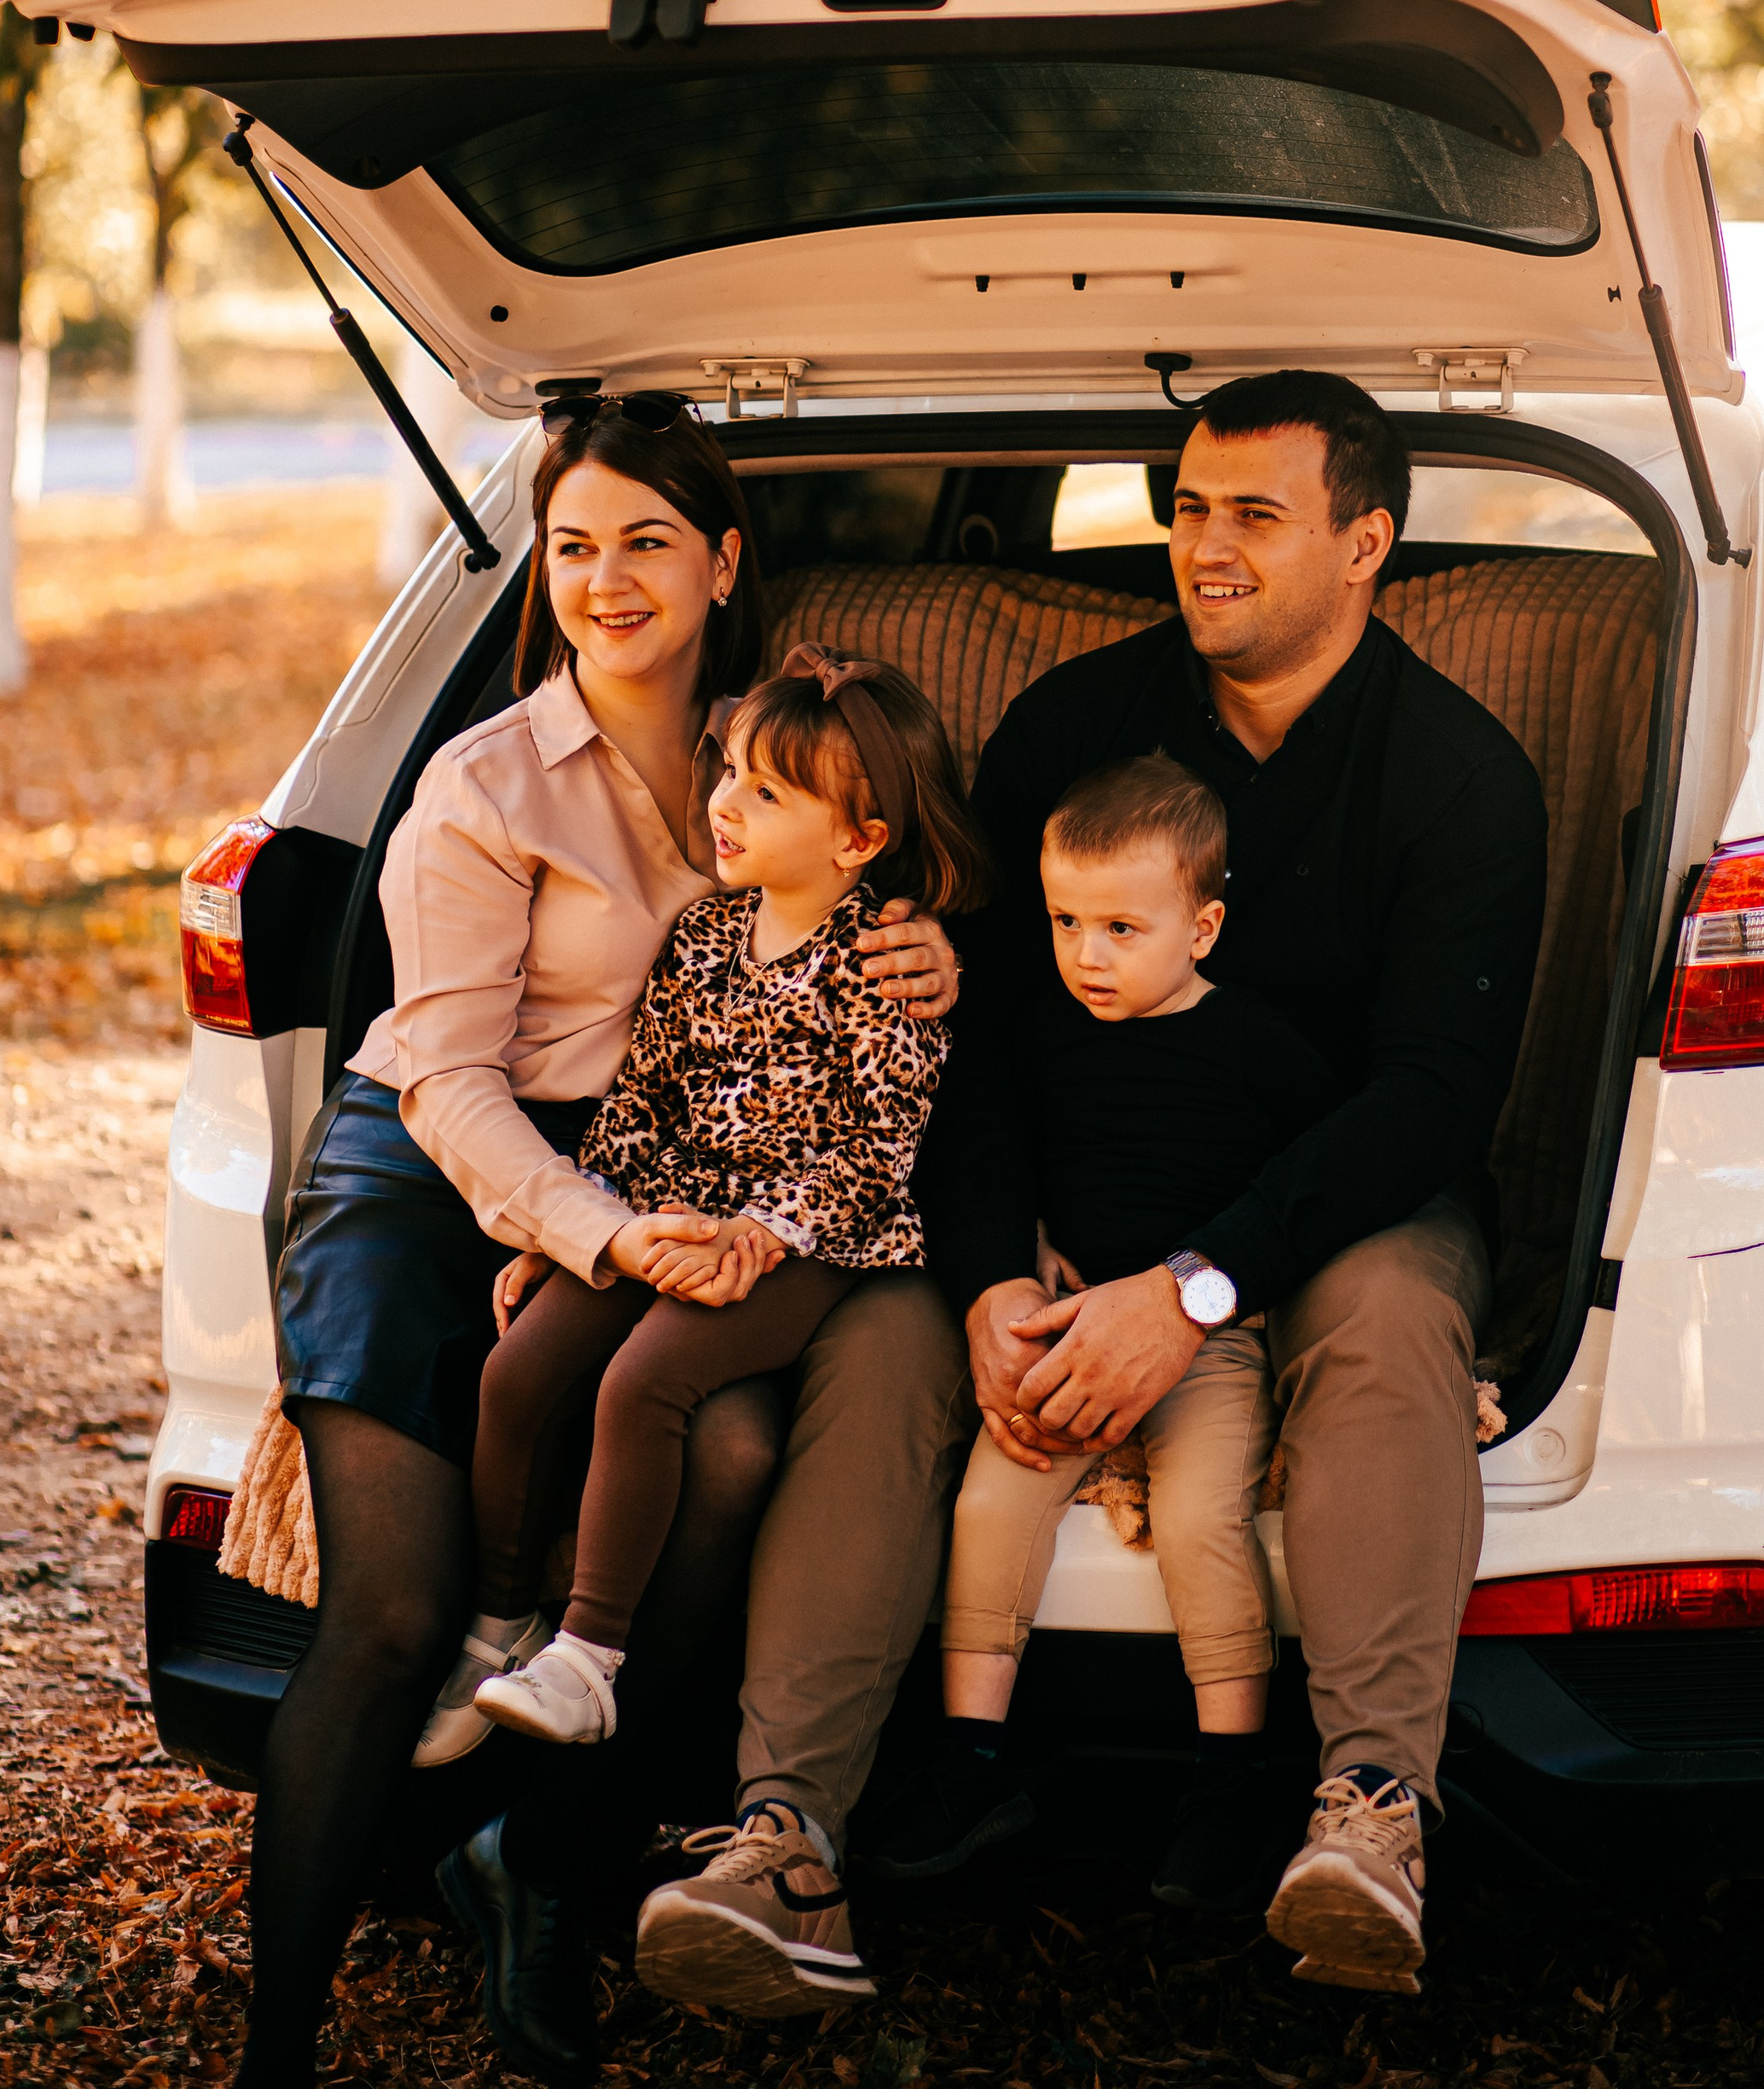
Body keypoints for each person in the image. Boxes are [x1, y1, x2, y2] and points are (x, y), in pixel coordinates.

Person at [235, 399, 960, 2089]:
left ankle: (542, 1864)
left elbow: (872, 883)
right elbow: (451, 1084)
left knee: (729, 1459)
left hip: (672, 1183)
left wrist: (925, 945)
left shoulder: (780, 741)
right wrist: (603, 1239)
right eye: (571, 547)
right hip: (435, 1179)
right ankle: (275, 2043)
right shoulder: (479, 786)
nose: (606, 579)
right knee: (401, 1608)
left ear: (721, 559)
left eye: (646, 540)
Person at [908, 369, 1550, 1996]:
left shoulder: (1461, 776)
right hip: (1074, 1207)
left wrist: (1195, 1291)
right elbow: (976, 1045)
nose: (1205, 548)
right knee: (877, 1340)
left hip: (1349, 1200)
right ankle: (807, 1807)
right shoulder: (1073, 729)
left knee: (1395, 1315)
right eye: (1188, 510)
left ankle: (1368, 1812)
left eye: (1256, 517)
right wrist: (991, 1270)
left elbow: (1431, 1096)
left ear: (1367, 545)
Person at [428, 651, 987, 1759]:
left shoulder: (881, 962)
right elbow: (642, 1103)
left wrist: (757, 1237)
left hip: (811, 1243)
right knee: (519, 1369)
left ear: (859, 840)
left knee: (644, 1383)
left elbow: (878, 1151)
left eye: (766, 794)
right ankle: (498, 1625)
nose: (724, 804)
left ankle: (589, 1660)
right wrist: (574, 1234)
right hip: (673, 1214)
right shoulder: (702, 938)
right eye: (728, 772)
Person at [871, 752, 1338, 1910]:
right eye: (1067, 922)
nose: (1088, 955)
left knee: (1197, 1519)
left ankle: (1231, 1780)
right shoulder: (1039, 1030)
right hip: (1069, 1331)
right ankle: (972, 1756)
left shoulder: (1259, 1047)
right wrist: (1011, 1271)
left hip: (1214, 1343)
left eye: (1124, 926)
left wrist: (1252, 1297)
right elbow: (987, 1157)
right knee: (992, 1501)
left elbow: (1316, 1184)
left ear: (1205, 925)